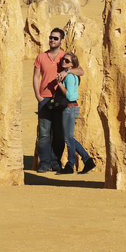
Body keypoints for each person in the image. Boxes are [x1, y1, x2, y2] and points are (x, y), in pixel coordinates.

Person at [33, 28, 83, 173]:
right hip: (45, 98)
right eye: (51, 37)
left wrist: (66, 71)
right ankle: (44, 164)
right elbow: (36, 76)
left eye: (55, 38)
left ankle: (55, 162)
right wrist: (38, 95)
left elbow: (80, 71)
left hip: (61, 100)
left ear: (61, 40)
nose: (52, 40)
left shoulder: (65, 57)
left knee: (59, 133)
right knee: (43, 133)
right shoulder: (41, 57)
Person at [56, 52, 96, 175]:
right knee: (69, 138)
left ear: (72, 64)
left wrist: (59, 84)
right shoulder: (71, 74)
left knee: (68, 138)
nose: (64, 61)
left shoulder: (68, 76)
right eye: (63, 59)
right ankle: (85, 161)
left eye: (67, 61)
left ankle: (72, 164)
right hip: (71, 108)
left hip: (70, 107)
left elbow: (70, 95)